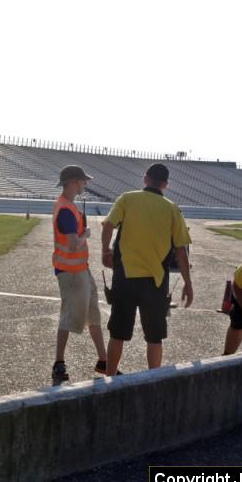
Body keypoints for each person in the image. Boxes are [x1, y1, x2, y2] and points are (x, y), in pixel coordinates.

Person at [100, 163, 193, 376]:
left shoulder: (127, 198)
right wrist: (188, 283)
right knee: (154, 337)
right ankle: (153, 381)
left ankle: (111, 379)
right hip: (156, 282)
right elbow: (181, 251)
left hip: (125, 277)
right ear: (165, 184)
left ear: (145, 179)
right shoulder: (172, 208)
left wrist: (105, 252)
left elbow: (108, 226)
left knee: (118, 334)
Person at [51, 165, 109, 382]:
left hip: (80, 270)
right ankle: (59, 362)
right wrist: (85, 234)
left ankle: (103, 360)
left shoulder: (68, 206)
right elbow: (74, 244)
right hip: (71, 272)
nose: (85, 184)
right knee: (69, 316)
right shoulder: (65, 209)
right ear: (74, 182)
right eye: (83, 180)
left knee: (93, 313)